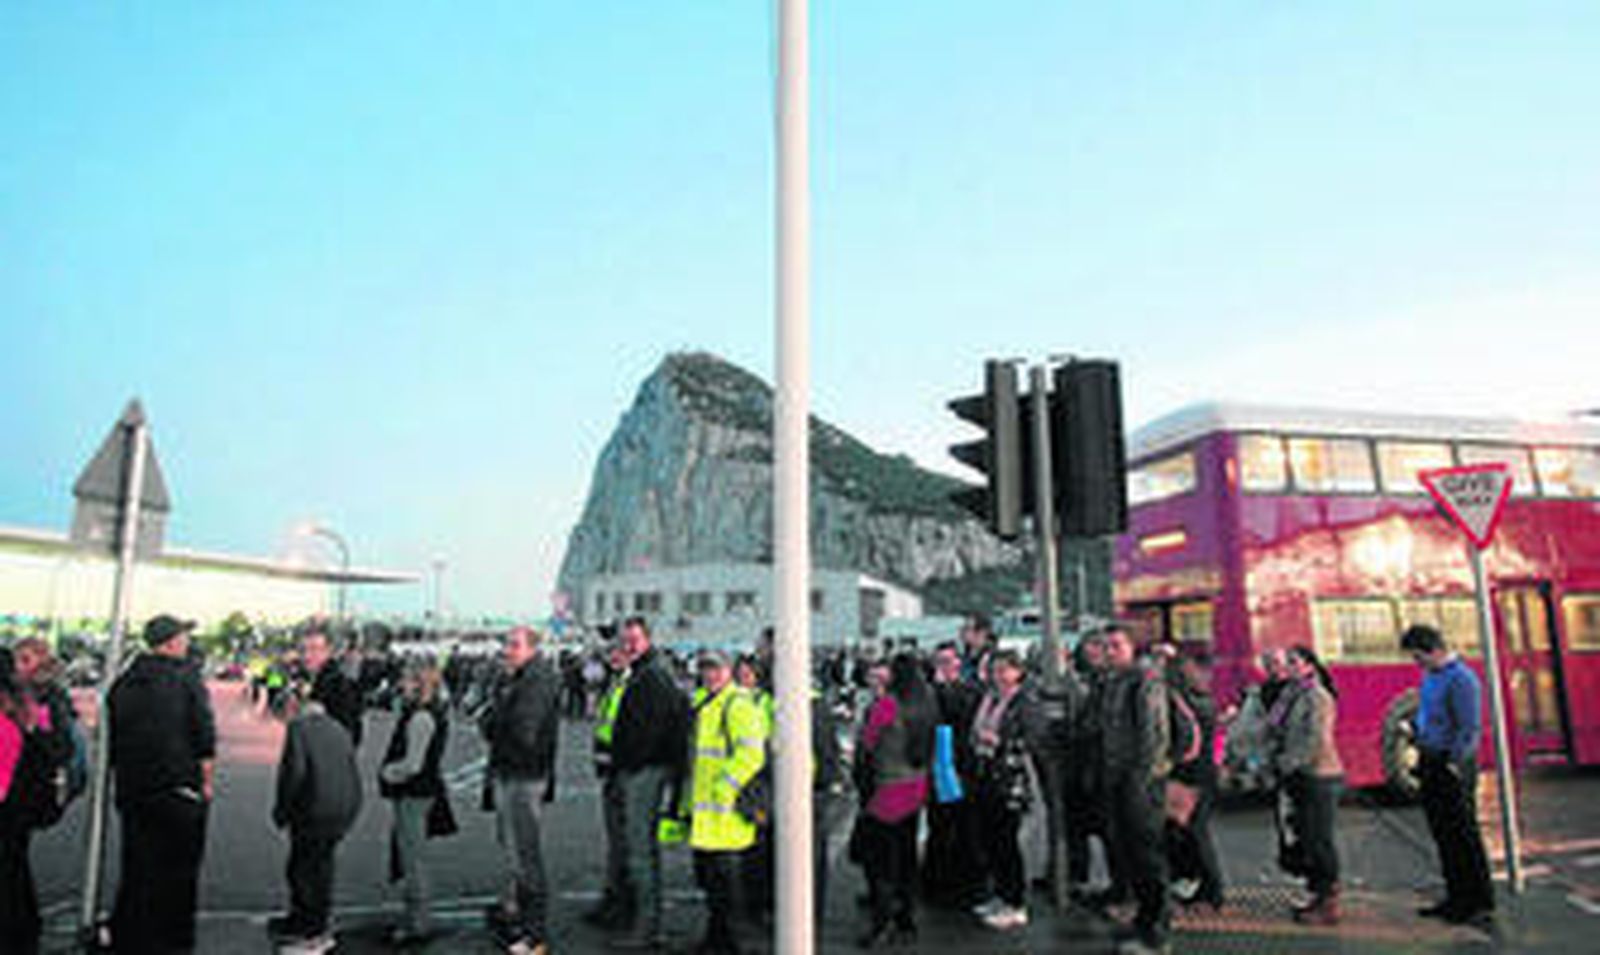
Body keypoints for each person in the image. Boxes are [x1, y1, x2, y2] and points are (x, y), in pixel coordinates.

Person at [108, 615, 217, 954]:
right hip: (178, 790)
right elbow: (204, 735)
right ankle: (172, 943)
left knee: (138, 867)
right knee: (179, 873)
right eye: (183, 636)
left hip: (133, 791)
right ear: (169, 642)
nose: (187, 642)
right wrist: (206, 783)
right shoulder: (185, 677)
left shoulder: (123, 681)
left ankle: (131, 938)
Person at [606, 617, 691, 951]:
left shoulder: (651, 676)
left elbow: (654, 730)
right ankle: (645, 924)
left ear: (647, 640)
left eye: (634, 639)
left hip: (644, 772)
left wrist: (632, 763)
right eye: (624, 639)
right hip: (642, 769)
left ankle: (647, 928)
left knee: (641, 851)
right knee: (639, 850)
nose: (628, 645)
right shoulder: (646, 673)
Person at [1402, 624, 1495, 927]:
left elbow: (1469, 729)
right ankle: (1456, 896)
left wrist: (1454, 762)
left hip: (1451, 764)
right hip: (1430, 758)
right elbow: (1429, 715)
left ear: (1434, 649)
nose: (1417, 664)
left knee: (1462, 833)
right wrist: (1415, 730)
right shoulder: (1431, 676)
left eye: (1418, 657)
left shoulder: (1461, 679)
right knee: (1443, 833)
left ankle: (1478, 900)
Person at [480, 627, 561, 955]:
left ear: (532, 649)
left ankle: (534, 934)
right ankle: (519, 920)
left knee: (526, 857)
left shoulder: (536, 680)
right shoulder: (519, 677)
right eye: (506, 644)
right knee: (516, 854)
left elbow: (521, 730)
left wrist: (492, 722)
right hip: (514, 772)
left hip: (523, 776)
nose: (507, 651)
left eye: (514, 645)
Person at [270, 684, 364, 954]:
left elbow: (293, 776)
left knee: (305, 869)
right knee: (319, 866)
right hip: (344, 806)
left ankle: (313, 931)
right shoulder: (337, 727)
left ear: (292, 710)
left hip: (317, 809)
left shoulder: (299, 729)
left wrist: (282, 811)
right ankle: (306, 921)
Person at [851, 653, 936, 948]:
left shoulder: (887, 705)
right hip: (916, 786)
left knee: (880, 863)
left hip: (887, 790)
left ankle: (881, 922)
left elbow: (866, 744)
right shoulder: (928, 704)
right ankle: (906, 916)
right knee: (907, 855)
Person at [686, 650, 766, 954]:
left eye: (717, 669)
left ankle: (731, 945)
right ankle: (715, 941)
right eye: (706, 668)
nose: (711, 675)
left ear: (730, 671)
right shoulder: (705, 703)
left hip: (727, 817)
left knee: (728, 891)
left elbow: (752, 754)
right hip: (708, 816)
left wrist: (725, 787)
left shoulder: (737, 704)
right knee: (713, 888)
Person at [1100, 629, 1171, 955]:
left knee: (1147, 855)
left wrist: (1142, 779)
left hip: (1139, 782)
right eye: (1106, 646)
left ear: (1131, 648)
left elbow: (1154, 735)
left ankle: (1156, 932)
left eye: (1117, 645)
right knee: (1129, 853)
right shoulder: (1114, 681)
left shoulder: (1145, 681)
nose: (1109, 651)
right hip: (1117, 778)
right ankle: (1143, 920)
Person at [1269, 645, 1342, 924]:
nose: (1289, 666)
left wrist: (1286, 763)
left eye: (1295, 661)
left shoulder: (1317, 696)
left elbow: (1315, 740)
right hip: (1300, 775)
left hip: (1319, 775)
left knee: (1319, 840)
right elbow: (1275, 727)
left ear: (1310, 666)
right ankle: (1316, 895)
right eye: (1287, 661)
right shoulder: (1291, 694)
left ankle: (1329, 903)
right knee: (1306, 838)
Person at [379, 664, 450, 946]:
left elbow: (413, 764)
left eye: (407, 680)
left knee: (414, 859)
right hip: (419, 792)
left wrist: (387, 772)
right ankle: (416, 918)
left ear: (419, 685)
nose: (402, 684)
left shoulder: (421, 717)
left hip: (414, 794)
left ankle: (418, 924)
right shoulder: (426, 713)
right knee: (413, 856)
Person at [969, 649, 1035, 930]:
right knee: (992, 839)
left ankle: (1016, 902)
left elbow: (1031, 736)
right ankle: (1001, 895)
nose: (998, 676)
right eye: (995, 670)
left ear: (1017, 672)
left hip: (1010, 779)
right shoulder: (990, 698)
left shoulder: (1024, 701)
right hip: (986, 775)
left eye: (1004, 670)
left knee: (1007, 841)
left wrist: (996, 740)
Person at [921, 643, 982, 908]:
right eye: (939, 662)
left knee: (965, 828)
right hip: (937, 767)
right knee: (939, 827)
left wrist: (944, 690)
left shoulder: (970, 691)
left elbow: (963, 718)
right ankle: (935, 883)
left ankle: (965, 884)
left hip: (961, 766)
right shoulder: (928, 693)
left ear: (958, 664)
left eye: (948, 662)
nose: (944, 667)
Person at [1165, 651, 1225, 911]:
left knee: (1195, 833)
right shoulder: (1203, 700)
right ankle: (1201, 885)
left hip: (1190, 774)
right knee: (1193, 832)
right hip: (1202, 771)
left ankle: (1211, 892)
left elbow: (1183, 742)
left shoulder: (1184, 702)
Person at [583, 643, 635, 930]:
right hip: (611, 771)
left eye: (618, 652)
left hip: (621, 772)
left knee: (622, 844)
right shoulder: (615, 684)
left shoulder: (629, 685)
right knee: (615, 844)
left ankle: (621, 905)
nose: (612, 657)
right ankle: (613, 900)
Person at [1, 649, 41, 954]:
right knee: (15, 874)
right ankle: (23, 935)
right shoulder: (22, 706)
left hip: (7, 807)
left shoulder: (5, 719)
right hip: (18, 808)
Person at [301, 630, 364, 748]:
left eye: (314, 649)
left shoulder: (333, 682)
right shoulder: (321, 678)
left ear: (328, 651)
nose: (307, 656)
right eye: (304, 650)